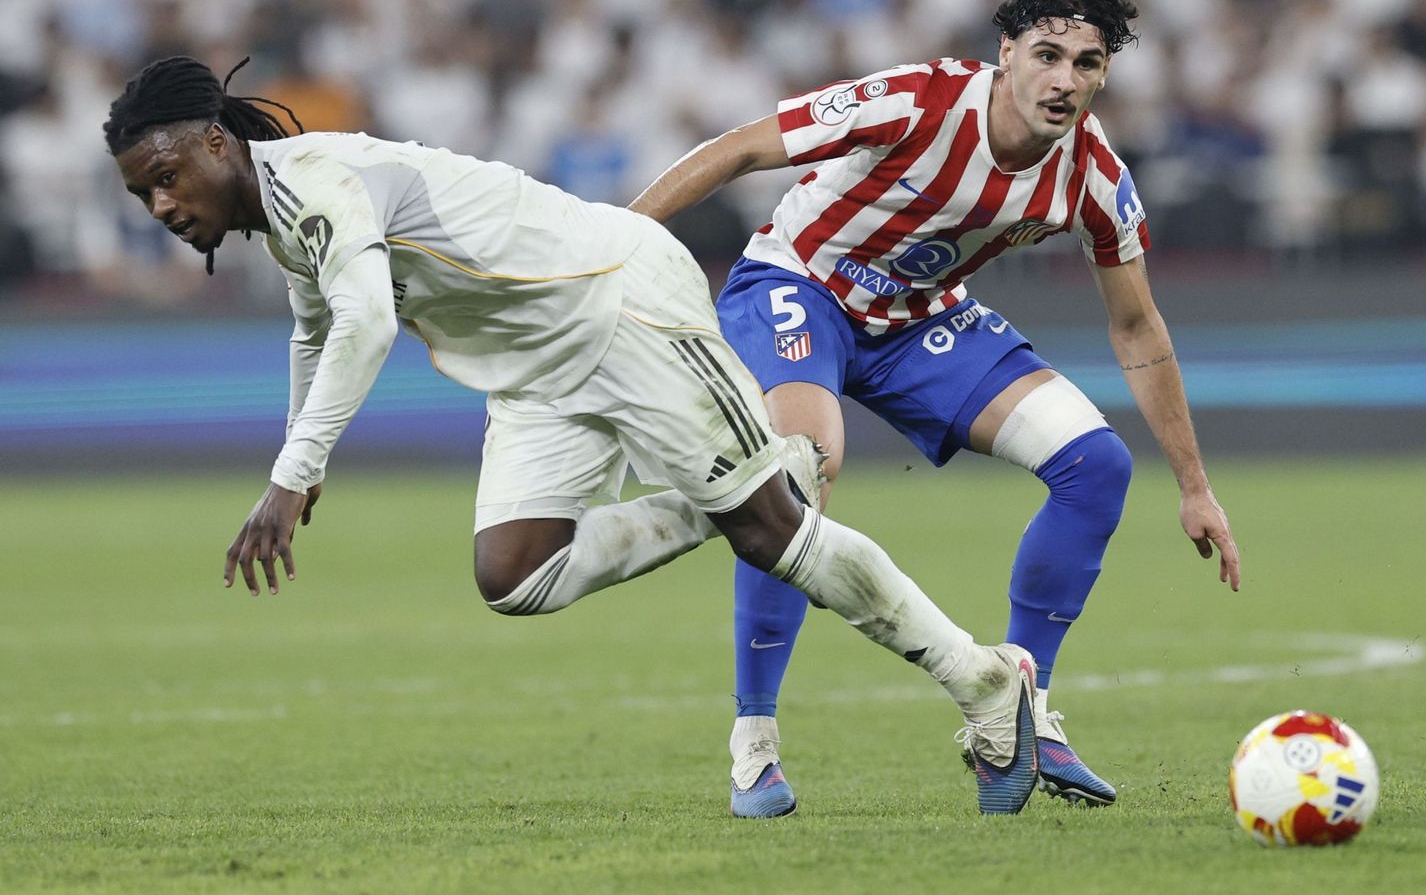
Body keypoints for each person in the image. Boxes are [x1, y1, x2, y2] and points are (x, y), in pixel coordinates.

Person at [104, 55, 1045, 816]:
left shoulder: (316, 182)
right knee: (514, 575)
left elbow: (367, 324)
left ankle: (983, 682)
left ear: (217, 144)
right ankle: (742, 483)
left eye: (167, 177)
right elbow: (318, 326)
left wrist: (289, 473)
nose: (162, 205)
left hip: (617, 300)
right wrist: (302, 472)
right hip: (539, 368)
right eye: (145, 194)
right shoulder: (284, 218)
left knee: (773, 533)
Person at [629, 0, 1242, 818]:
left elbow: (1138, 327)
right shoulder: (918, 99)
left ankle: (1013, 713)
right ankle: (754, 740)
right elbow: (740, 149)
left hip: (920, 320)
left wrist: (1194, 484)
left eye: (1088, 64)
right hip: (799, 283)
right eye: (1047, 55)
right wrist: (616, 247)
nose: (1064, 81)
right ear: (1006, 52)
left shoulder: (1095, 176)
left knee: (1097, 466)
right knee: (798, 472)